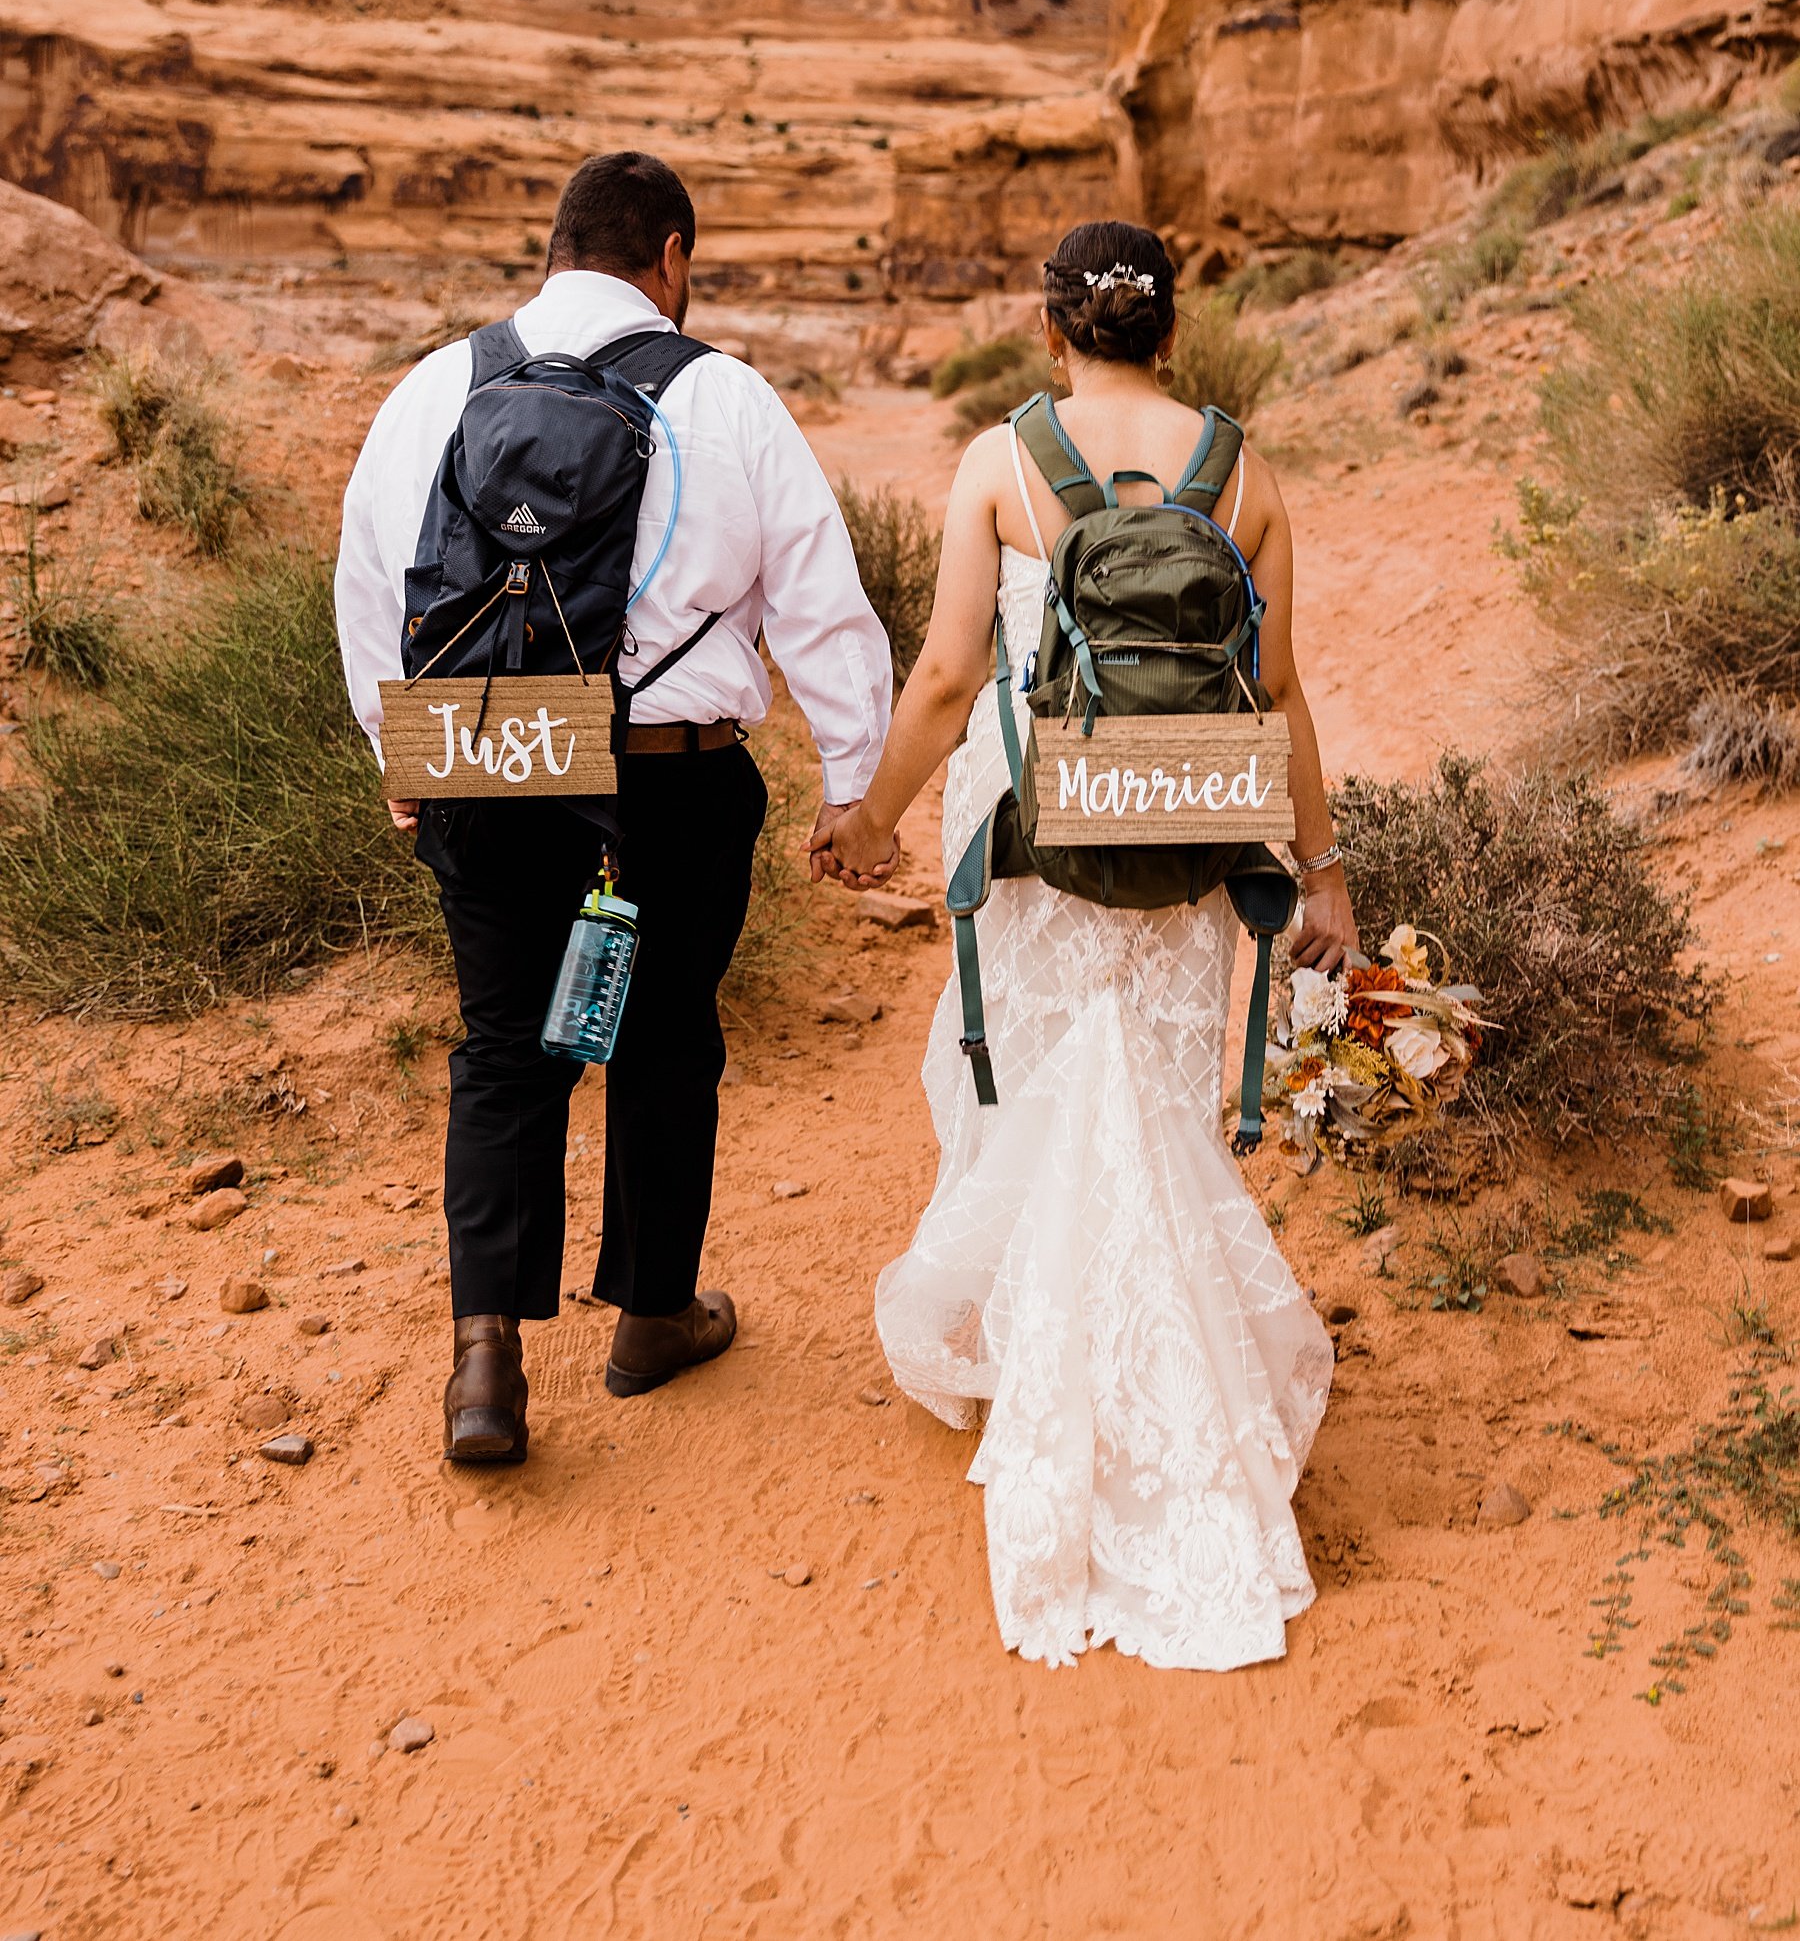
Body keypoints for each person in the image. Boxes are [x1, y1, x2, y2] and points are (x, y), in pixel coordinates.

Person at [812, 217, 1353, 1670]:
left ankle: (1048, 1363)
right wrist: (1327, 873)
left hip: (1038, 814)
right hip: (1191, 809)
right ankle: (1165, 1380)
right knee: (1156, 1089)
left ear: (1053, 330)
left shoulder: (1003, 463)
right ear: (1171, 333)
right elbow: (1284, 686)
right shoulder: (1242, 469)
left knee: (1042, 1079)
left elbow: (942, 673)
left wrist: (871, 821)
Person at [336, 151, 890, 1463]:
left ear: (553, 250)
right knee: (665, 1038)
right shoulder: (731, 398)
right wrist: (857, 783)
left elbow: (371, 573)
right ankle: (650, 1313)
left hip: (482, 748)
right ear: (673, 257)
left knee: (502, 1049)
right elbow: (819, 596)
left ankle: (486, 1360)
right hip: (668, 770)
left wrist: (398, 748)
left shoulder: (438, 385)